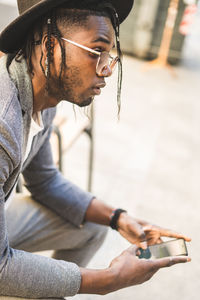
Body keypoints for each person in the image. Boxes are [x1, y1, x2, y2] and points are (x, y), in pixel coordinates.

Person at [0, 0, 191, 299]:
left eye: (110, 54)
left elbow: (45, 180)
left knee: (92, 223)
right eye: (96, 51)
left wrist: (118, 217)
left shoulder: (40, 92)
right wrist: (108, 280)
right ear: (49, 45)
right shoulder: (3, 123)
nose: (107, 69)